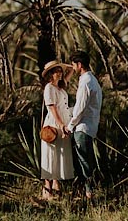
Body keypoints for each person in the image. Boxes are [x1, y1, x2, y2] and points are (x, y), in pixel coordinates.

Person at [65, 50, 102, 200]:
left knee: (84, 163)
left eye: (74, 65)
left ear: (79, 65)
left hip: (82, 128)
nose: (73, 68)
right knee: (85, 162)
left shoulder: (85, 81)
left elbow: (80, 107)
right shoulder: (93, 80)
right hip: (90, 127)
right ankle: (83, 194)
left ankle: (89, 195)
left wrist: (70, 125)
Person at [38, 60, 74, 200]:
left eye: (60, 70)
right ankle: (47, 187)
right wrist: (61, 125)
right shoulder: (49, 88)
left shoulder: (61, 86)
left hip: (63, 122)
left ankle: (56, 183)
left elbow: (70, 71)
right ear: (50, 74)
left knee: (60, 153)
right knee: (51, 153)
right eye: (56, 71)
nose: (59, 72)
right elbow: (52, 108)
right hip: (54, 123)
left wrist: (67, 65)